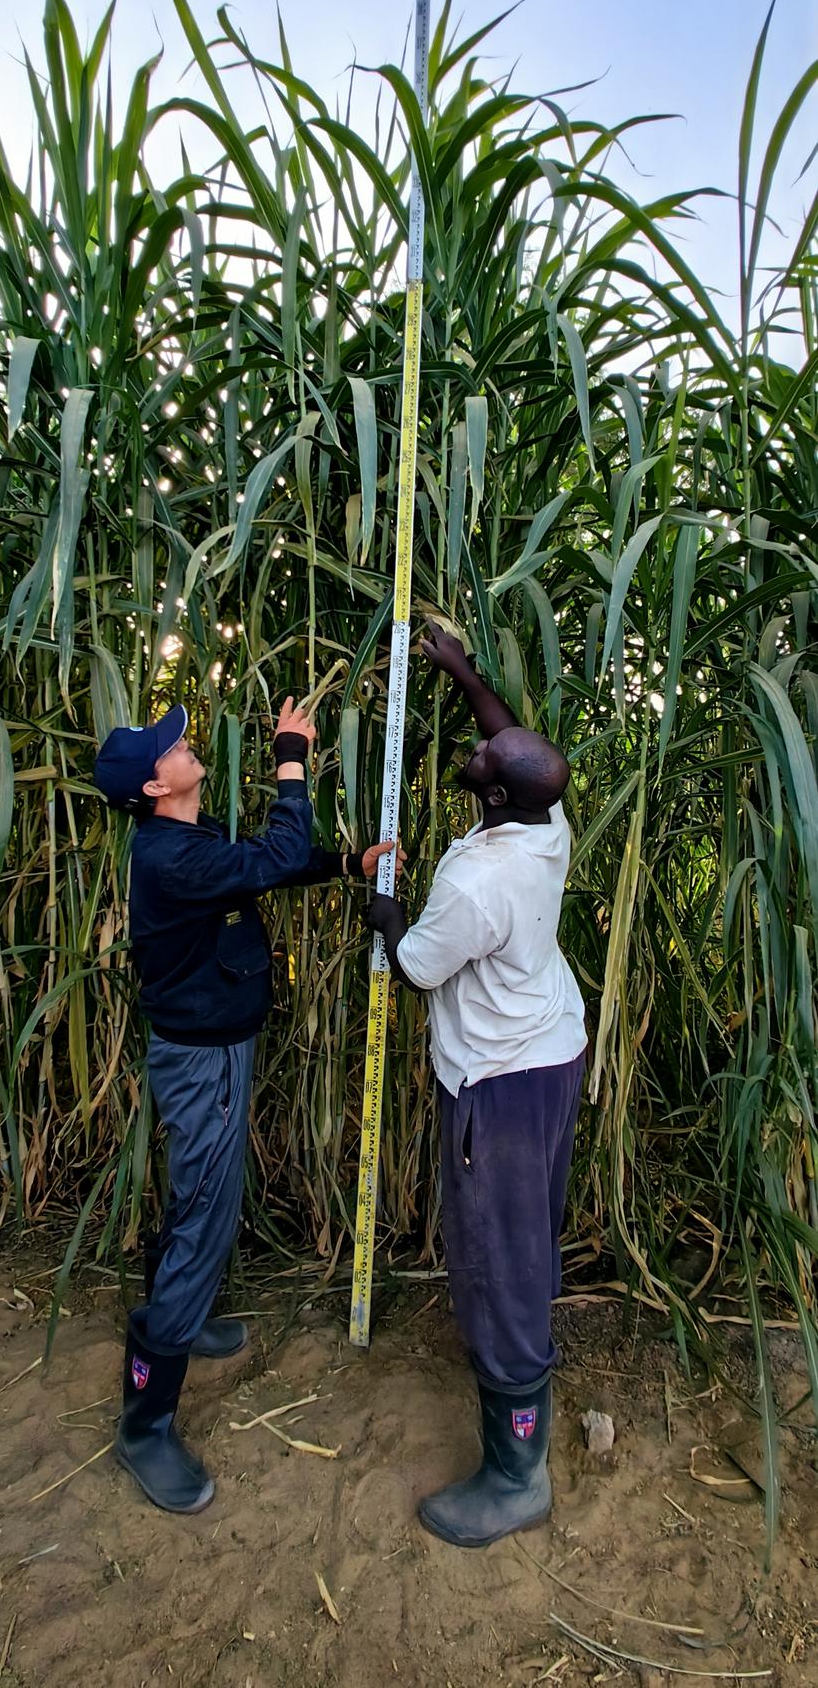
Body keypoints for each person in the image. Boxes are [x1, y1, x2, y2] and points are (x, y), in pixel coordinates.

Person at [94, 696, 402, 1516]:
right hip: (204, 1065)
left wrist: (343, 865)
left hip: (211, 1053)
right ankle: (145, 1422)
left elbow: (263, 863)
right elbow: (273, 845)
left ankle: (182, 1320)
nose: (187, 744)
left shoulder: (182, 843)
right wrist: (292, 759)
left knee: (196, 1202)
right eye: (174, 746)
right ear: (158, 786)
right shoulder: (168, 858)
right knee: (203, 1219)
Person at [367, 626, 586, 1550]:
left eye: (483, 754)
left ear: (495, 792)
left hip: (494, 1082)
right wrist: (458, 669)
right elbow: (511, 737)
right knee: (527, 1228)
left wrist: (379, 903)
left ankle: (514, 1471)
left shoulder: (475, 880)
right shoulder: (546, 823)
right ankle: (528, 1367)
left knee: (494, 1258)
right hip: (551, 1053)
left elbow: (415, 968)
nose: (480, 739)